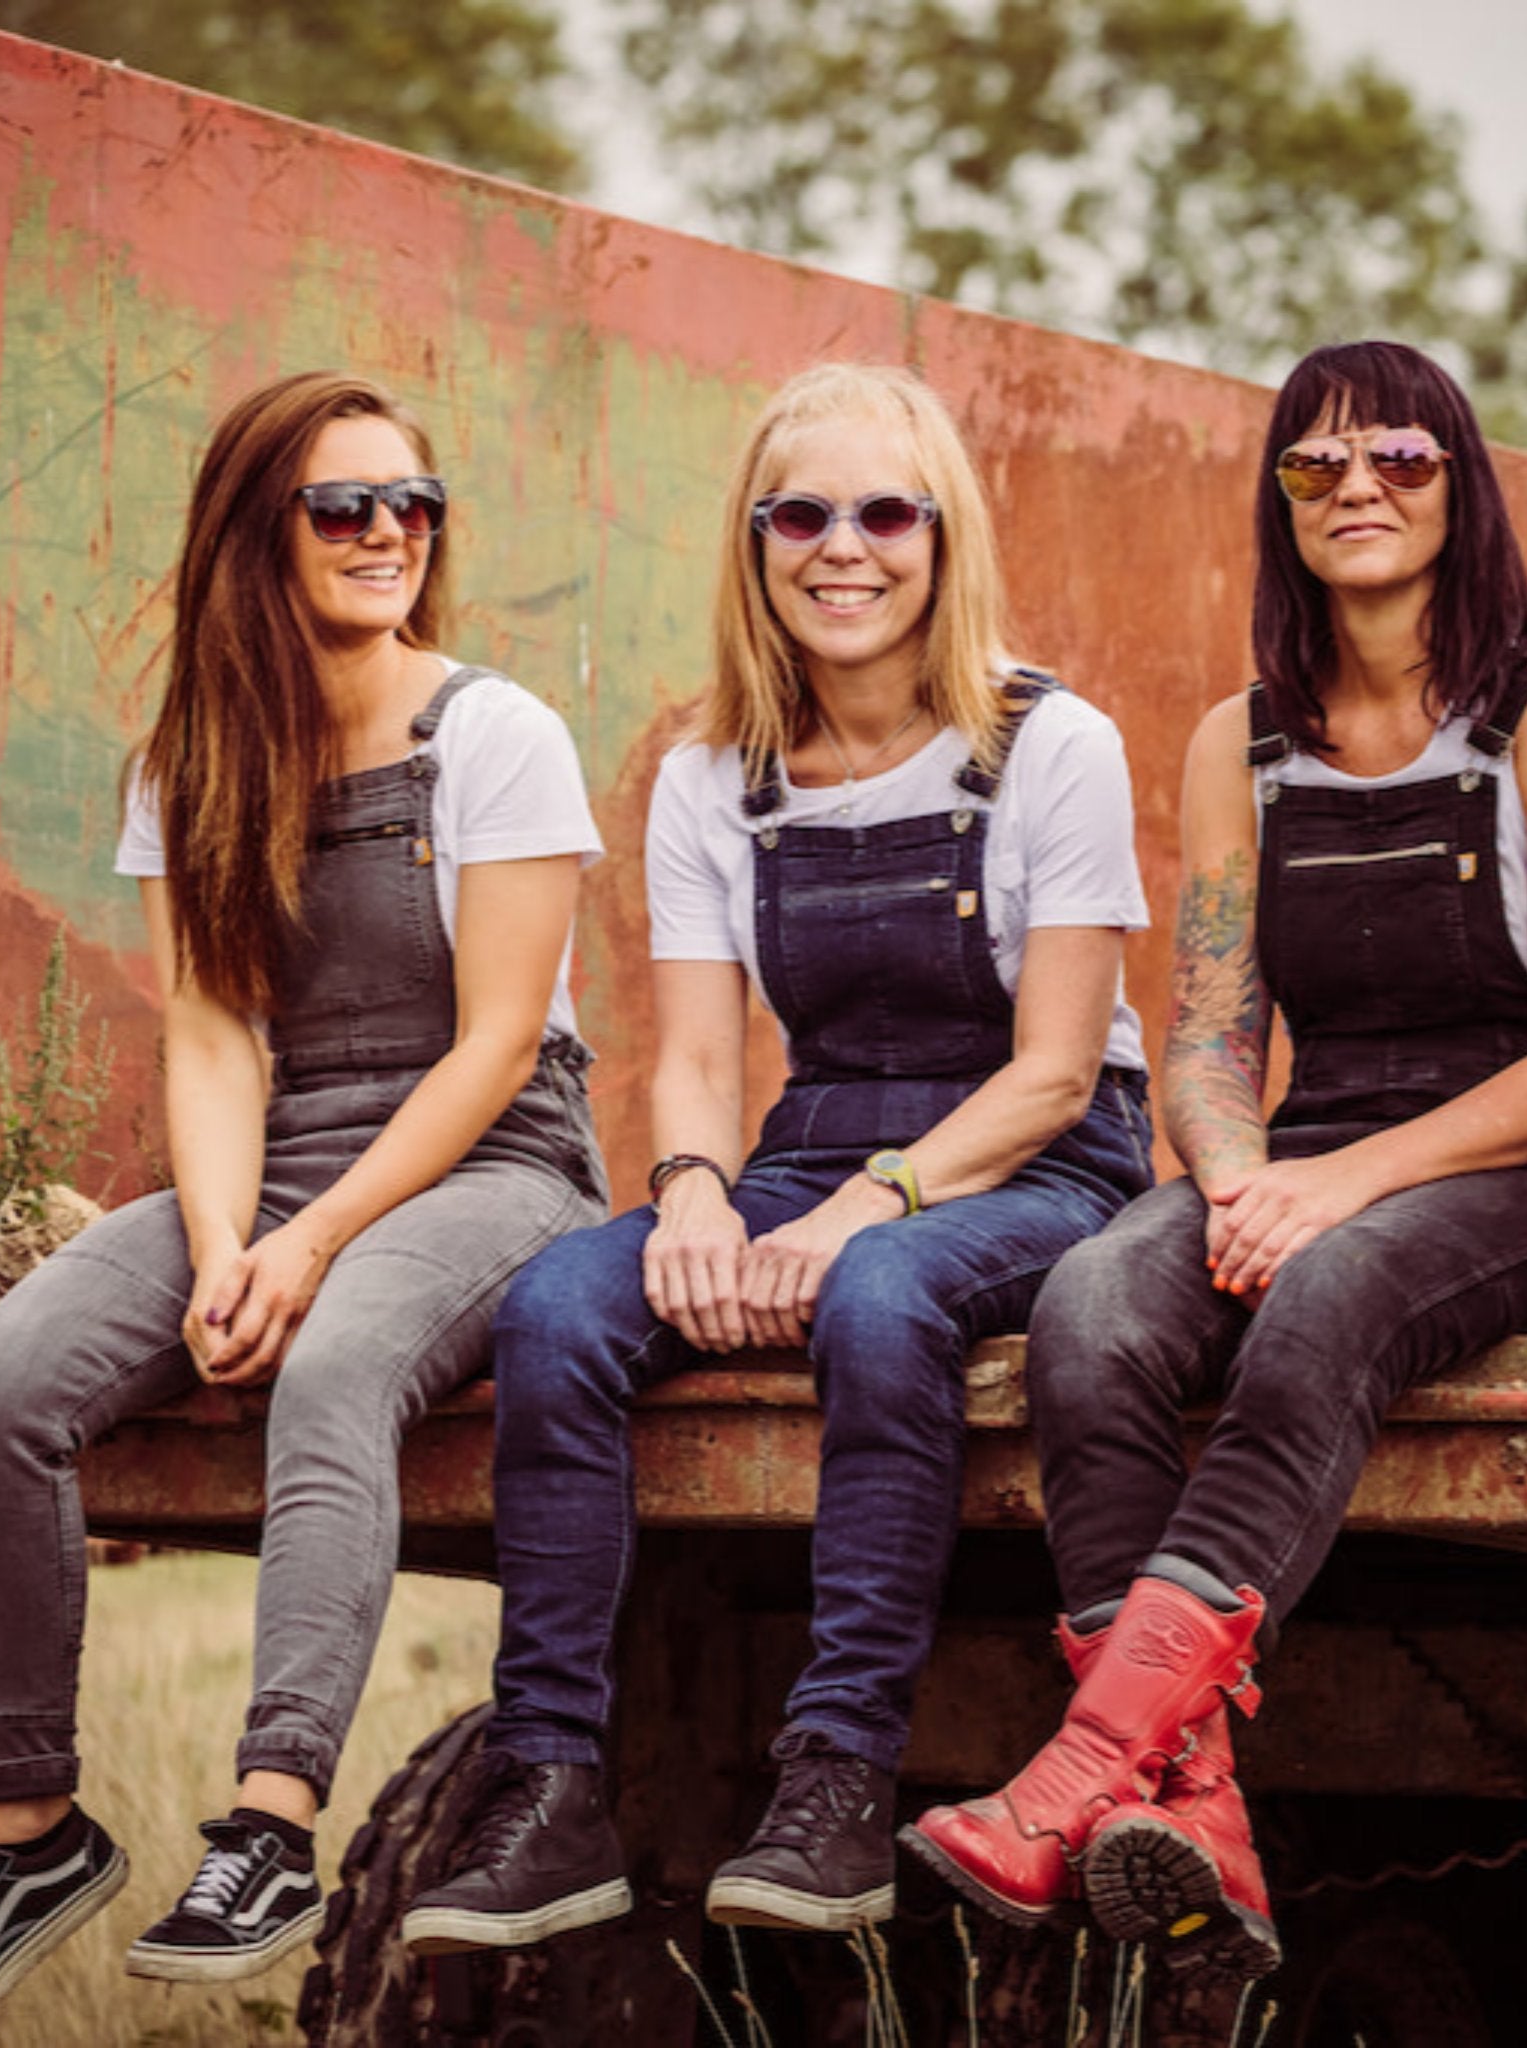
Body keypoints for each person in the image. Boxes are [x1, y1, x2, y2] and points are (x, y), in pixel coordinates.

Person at [903, 339, 1527, 1977]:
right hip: (1304, 1163)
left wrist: (1336, 1188)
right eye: (1317, 466)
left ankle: (1081, 1772)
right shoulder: (1243, 743)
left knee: (1328, 1295)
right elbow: (1204, 1033)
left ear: (1460, 490)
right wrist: (1236, 1166)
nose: (1358, 490)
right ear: (1281, 505)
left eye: (1399, 458)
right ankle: (1193, 1803)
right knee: (1094, 1301)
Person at [397, 360, 1155, 1954]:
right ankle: (550, 1791)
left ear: (944, 539)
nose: (844, 547)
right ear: (754, 544)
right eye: (799, 513)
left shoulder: (1048, 744)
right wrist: (689, 1194)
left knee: (881, 1300)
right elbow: (690, 1056)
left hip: (1040, 1157)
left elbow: (1055, 1071)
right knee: (556, 1309)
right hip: (813, 1143)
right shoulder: (710, 774)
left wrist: (866, 1211)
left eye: (887, 510)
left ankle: (833, 1782)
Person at [0, 372, 610, 2044]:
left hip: (493, 1162)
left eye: (411, 503)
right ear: (253, 535)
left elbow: (500, 1044)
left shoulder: (490, 733)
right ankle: (32, 1830)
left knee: (338, 1359)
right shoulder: (199, 760)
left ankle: (272, 1824)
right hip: (279, 1157)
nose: (388, 536)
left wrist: (304, 1249)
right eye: (342, 507)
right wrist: (224, 1247)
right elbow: (214, 1035)